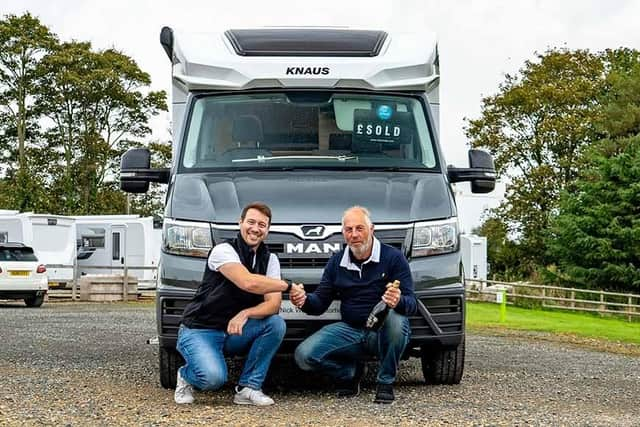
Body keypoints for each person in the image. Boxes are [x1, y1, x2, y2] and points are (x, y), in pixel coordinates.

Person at [290, 206, 417, 404]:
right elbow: (319, 303)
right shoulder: (336, 262)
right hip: (350, 329)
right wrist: (303, 300)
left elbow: (412, 304)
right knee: (304, 356)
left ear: (371, 229)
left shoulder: (393, 257)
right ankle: (349, 372)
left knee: (396, 319)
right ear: (343, 233)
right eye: (349, 230)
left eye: (360, 228)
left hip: (381, 331)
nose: (354, 234)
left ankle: (385, 382)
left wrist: (398, 300)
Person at [174, 202, 295, 406]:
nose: (255, 229)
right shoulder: (223, 250)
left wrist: (246, 313)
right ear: (240, 223)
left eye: (262, 225)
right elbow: (247, 282)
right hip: (200, 330)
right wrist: (289, 287)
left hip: (233, 330)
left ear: (267, 229)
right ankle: (185, 375)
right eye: (251, 222)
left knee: (275, 323)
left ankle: (248, 388)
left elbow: (273, 304)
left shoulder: (270, 259)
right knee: (213, 379)